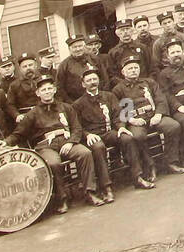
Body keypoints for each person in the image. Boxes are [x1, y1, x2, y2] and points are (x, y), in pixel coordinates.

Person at [9, 72, 108, 209]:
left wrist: (70, 142)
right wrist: (6, 142)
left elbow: (77, 128)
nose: (47, 92)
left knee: (85, 153)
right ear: (38, 93)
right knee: (54, 163)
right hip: (46, 146)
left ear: (54, 90)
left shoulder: (66, 107)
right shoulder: (33, 113)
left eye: (49, 88)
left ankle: (89, 192)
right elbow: (19, 133)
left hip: (66, 141)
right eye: (43, 90)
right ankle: (62, 199)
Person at [108, 55, 184, 177]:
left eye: (136, 67)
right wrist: (131, 120)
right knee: (138, 136)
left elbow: (160, 99)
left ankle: (171, 161)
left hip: (153, 115)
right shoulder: (118, 89)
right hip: (136, 121)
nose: (133, 70)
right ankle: (150, 166)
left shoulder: (149, 82)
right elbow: (118, 110)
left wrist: (158, 114)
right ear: (123, 72)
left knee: (173, 126)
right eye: (130, 68)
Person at [72, 69, 137, 195]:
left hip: (108, 132)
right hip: (92, 136)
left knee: (127, 138)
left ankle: (137, 176)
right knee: (98, 147)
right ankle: (106, 187)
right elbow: (77, 126)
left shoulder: (109, 96)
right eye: (88, 81)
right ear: (83, 84)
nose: (92, 82)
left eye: (94, 79)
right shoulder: (78, 104)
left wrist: (121, 127)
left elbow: (118, 114)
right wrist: (87, 135)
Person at [57, 35, 105, 102]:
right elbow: (60, 87)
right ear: (69, 49)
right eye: (74, 47)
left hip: (97, 99)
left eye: (80, 46)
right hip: (75, 102)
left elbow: (104, 78)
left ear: (84, 46)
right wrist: (70, 103)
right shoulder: (64, 65)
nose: (78, 49)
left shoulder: (94, 59)